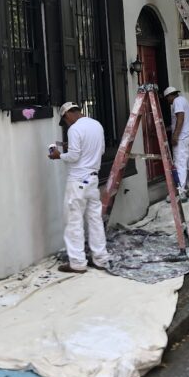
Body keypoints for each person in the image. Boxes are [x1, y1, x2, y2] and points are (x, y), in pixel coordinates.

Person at [48, 102, 110, 273]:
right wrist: (73, 149)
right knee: (95, 220)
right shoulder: (96, 125)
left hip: (78, 181)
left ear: (67, 114)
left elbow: (74, 156)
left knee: (73, 221)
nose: (66, 124)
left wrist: (58, 155)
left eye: (65, 121)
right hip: (93, 180)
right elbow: (101, 150)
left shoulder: (74, 129)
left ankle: (77, 263)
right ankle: (101, 259)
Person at [163, 85, 189, 199]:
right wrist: (168, 129)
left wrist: (175, 136)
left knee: (180, 164)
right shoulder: (184, 100)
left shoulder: (177, 101)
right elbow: (179, 121)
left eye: (167, 98)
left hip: (182, 139)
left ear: (170, 96)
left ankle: (180, 193)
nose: (168, 101)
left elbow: (180, 118)